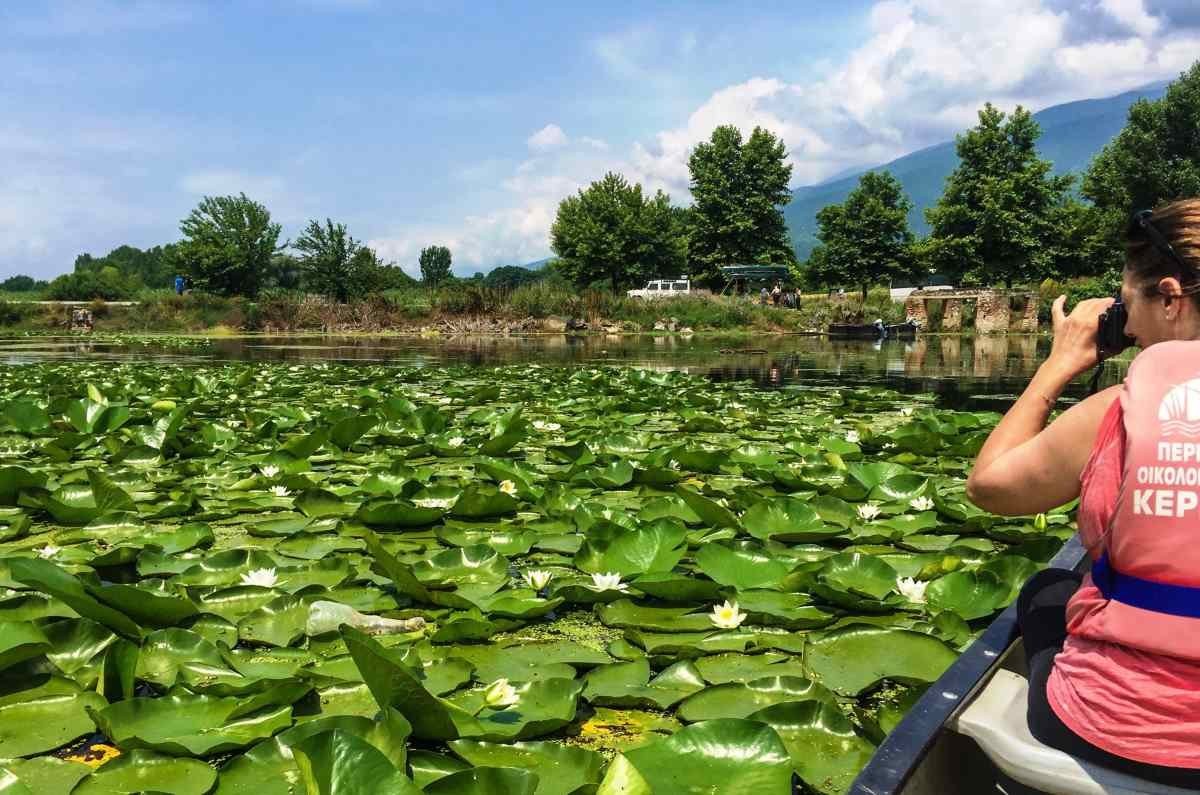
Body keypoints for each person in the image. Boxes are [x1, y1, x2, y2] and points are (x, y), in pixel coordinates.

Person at [966, 198, 1200, 788]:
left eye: (1129, 305)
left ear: (1170, 297)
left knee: (1048, 589)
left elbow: (990, 487)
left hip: (1118, 728)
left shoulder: (1115, 413)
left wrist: (1058, 365)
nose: (1130, 323)